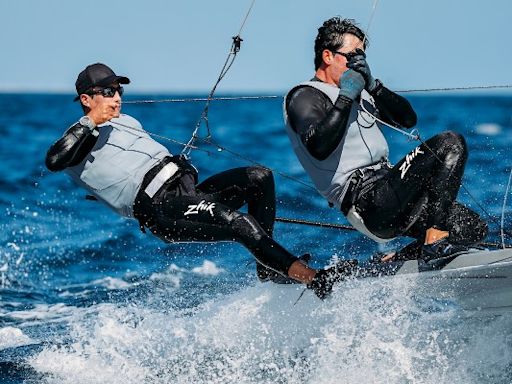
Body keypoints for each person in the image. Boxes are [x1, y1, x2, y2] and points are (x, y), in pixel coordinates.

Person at [45, 62, 355, 299]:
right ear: (87, 99)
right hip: (160, 209)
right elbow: (54, 159)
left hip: (185, 192)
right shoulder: (82, 136)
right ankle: (314, 279)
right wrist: (90, 122)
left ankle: (268, 268)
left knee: (259, 177)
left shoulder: (125, 121)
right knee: (241, 224)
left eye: (119, 91)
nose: (116, 99)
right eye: (108, 92)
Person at [283, 17, 487, 262]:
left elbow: (408, 120)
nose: (357, 64)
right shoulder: (304, 95)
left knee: (471, 227)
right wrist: (346, 96)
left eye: (362, 58)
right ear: (328, 56)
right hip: (366, 200)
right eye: (352, 56)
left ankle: (401, 258)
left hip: (389, 191)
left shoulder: (361, 91)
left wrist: (373, 86)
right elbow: (318, 146)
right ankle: (435, 243)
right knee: (449, 143)